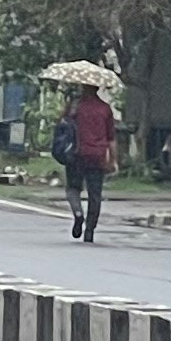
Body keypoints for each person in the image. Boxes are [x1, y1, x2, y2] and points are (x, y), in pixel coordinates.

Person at [60, 79, 117, 242]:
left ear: (83, 86)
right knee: (95, 194)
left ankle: (78, 213)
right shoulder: (105, 108)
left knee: (73, 188)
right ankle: (90, 230)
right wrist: (113, 160)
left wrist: (67, 106)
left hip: (76, 154)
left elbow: (62, 126)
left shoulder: (75, 106)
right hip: (97, 155)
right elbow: (111, 138)